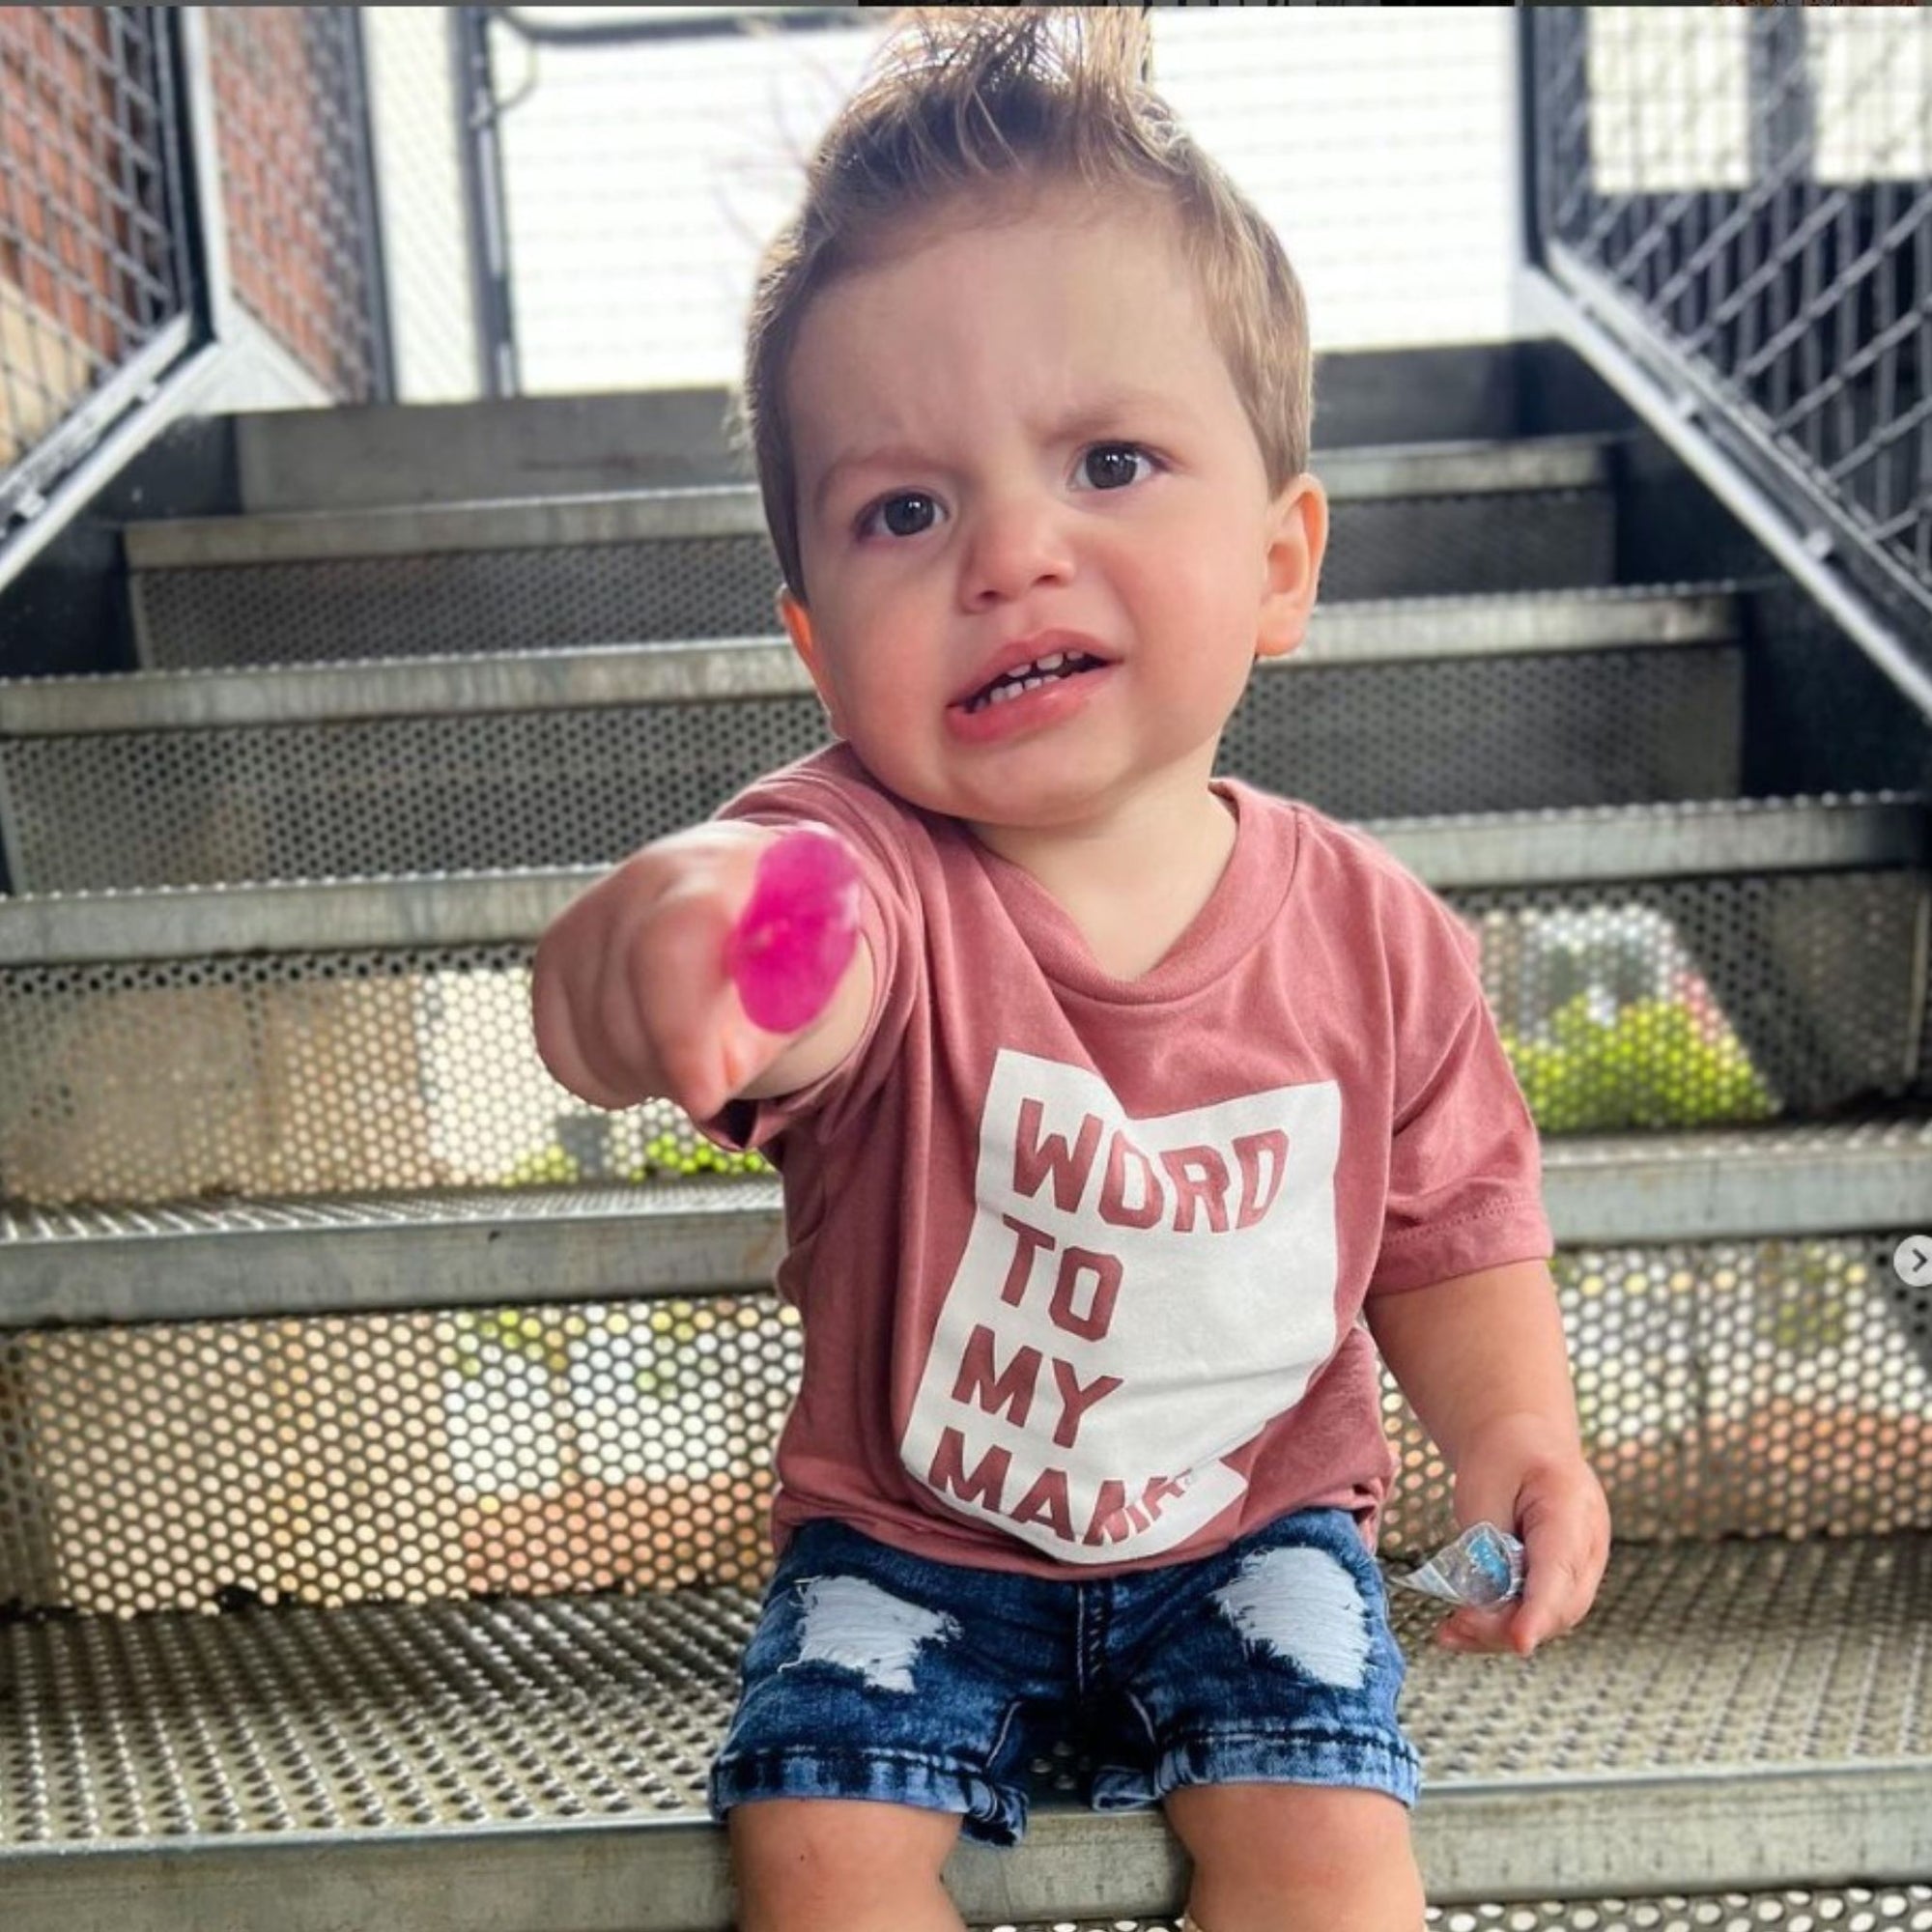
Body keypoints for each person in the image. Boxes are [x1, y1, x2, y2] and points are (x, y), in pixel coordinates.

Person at [532, 12, 1610, 1930]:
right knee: (817, 1846)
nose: (1011, 550)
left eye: (1108, 459)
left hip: (1256, 1531)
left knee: (1332, 1850)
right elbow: (777, 945)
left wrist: (1512, 1430)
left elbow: (1450, 1228)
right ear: (814, 639)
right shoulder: (855, 862)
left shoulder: (1372, 934)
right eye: (904, 510)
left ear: (1281, 564)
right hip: (907, 1545)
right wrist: (688, 945)